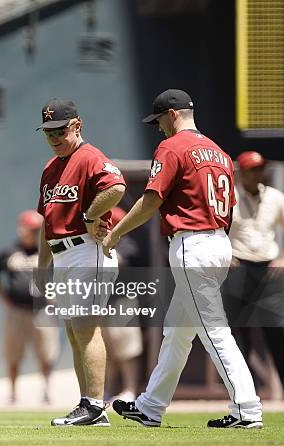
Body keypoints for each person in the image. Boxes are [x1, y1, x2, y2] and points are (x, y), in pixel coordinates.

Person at [103, 89, 263, 428]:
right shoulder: (218, 152)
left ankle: (247, 411)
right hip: (217, 239)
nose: (159, 127)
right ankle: (150, 407)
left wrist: (117, 233)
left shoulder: (173, 146)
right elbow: (230, 208)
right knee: (177, 332)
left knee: (214, 332)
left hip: (193, 244)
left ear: (173, 114)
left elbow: (151, 201)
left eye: (160, 120)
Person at [35, 98, 126, 426]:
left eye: (60, 130)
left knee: (86, 329)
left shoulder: (89, 156)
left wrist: (90, 214)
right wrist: (43, 265)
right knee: (74, 333)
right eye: (48, 133)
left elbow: (116, 187)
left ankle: (95, 406)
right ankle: (88, 405)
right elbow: (46, 222)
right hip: (62, 253)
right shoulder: (50, 168)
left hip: (88, 249)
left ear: (77, 125)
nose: (54, 138)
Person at [225, 150, 284, 386]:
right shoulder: (230, 197)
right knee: (238, 332)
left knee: (277, 330)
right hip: (238, 267)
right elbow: (216, 230)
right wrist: (224, 253)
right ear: (242, 173)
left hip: (269, 268)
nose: (258, 174)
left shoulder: (274, 197)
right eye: (252, 170)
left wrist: (282, 257)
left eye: (260, 169)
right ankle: (246, 391)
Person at [0, 210, 59, 405]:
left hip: (41, 311)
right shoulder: (10, 252)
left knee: (47, 354)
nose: (34, 234)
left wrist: (55, 296)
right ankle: (12, 393)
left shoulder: (46, 253)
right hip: (17, 311)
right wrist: (4, 299)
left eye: (38, 230)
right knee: (13, 354)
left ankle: (46, 392)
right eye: (32, 230)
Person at [102, 207, 143, 402]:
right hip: (103, 302)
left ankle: (130, 389)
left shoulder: (127, 244)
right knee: (108, 352)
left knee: (127, 350)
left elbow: (116, 261)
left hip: (122, 301)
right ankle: (107, 390)